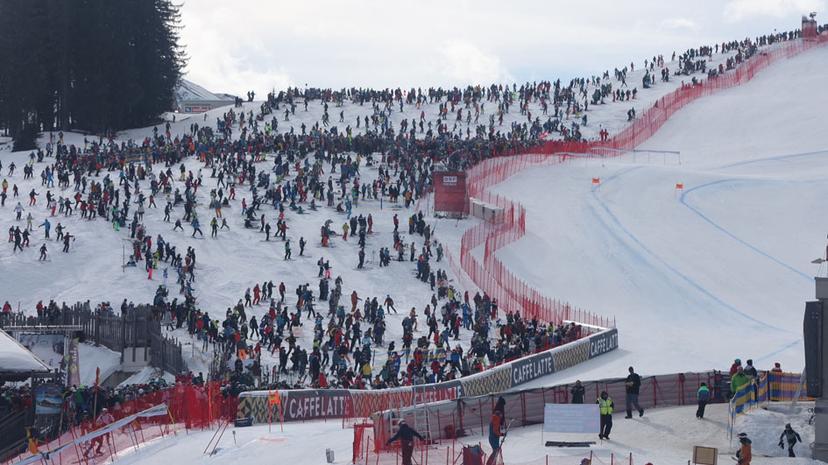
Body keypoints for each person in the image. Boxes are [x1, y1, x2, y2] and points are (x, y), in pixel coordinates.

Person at [486, 397, 507, 465]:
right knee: (496, 451)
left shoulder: (496, 418)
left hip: (494, 438)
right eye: (501, 414)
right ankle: (490, 463)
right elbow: (495, 431)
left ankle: (497, 462)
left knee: (497, 451)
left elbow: (496, 430)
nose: (502, 416)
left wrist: (501, 434)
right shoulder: (496, 419)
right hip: (493, 438)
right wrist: (501, 434)